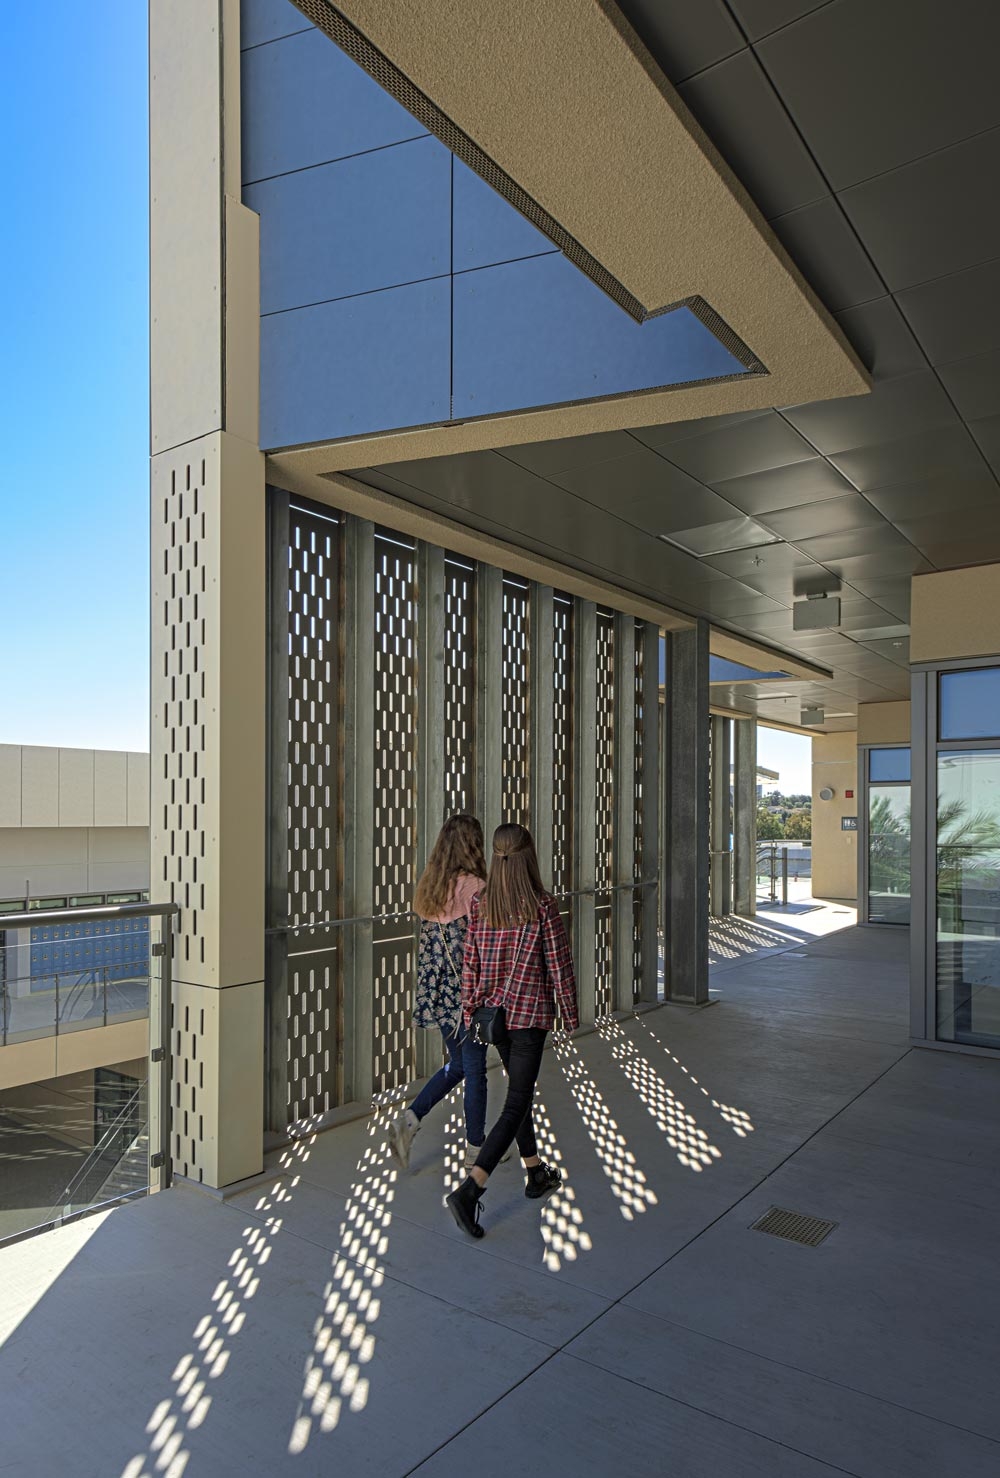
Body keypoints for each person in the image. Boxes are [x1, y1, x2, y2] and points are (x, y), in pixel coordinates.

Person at [446, 823, 579, 1239]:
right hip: (529, 1016)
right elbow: (559, 967)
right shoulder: (542, 906)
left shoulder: (482, 904)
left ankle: (536, 1172)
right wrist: (571, 1018)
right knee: (517, 1100)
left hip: (493, 1018)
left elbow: (471, 965)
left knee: (518, 1097)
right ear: (528, 856)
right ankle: (471, 1189)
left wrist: (470, 1010)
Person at [388, 813, 490, 1172]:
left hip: (441, 997)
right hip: (469, 995)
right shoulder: (476, 887)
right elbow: (483, 948)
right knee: (475, 1071)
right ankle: (476, 1151)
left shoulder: (430, 887)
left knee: (459, 1064)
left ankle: (409, 1121)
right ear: (473, 845)